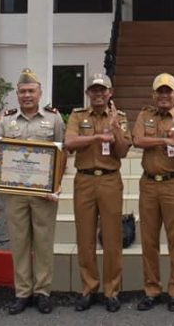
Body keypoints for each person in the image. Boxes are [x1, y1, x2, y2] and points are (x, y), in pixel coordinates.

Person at [0, 68, 65, 315]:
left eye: (31, 91)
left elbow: (62, 155)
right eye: (22, 91)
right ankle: (22, 293)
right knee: (19, 243)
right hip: (15, 192)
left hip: (44, 193)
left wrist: (57, 185)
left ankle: (42, 292)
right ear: (17, 94)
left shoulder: (54, 119)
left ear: (40, 93)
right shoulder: (6, 120)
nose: (27, 95)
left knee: (43, 243)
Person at [64, 73, 130, 313]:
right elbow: (69, 143)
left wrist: (115, 132)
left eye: (103, 90)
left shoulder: (119, 118)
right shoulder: (77, 115)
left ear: (110, 93)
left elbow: (122, 152)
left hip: (110, 180)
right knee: (85, 237)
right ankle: (88, 287)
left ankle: (112, 290)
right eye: (94, 90)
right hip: (84, 180)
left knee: (112, 238)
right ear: (88, 93)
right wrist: (96, 136)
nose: (98, 94)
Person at [132, 72, 174, 312]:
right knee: (149, 240)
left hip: (173, 184)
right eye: (160, 91)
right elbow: (137, 140)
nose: (164, 95)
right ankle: (151, 289)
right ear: (153, 94)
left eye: (168, 91)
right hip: (148, 184)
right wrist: (164, 141)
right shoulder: (144, 115)